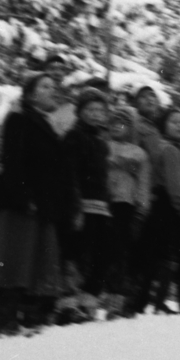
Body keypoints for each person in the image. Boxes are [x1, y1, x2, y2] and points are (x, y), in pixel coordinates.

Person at [0, 72, 77, 335]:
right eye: (45, 86)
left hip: (41, 204)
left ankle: (26, 318)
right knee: (14, 259)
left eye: (53, 86)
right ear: (30, 94)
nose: (52, 90)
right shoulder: (18, 119)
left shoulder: (47, 124)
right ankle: (6, 319)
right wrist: (23, 198)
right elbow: (12, 162)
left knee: (33, 259)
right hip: (21, 203)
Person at [131, 109, 180, 316]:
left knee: (154, 255)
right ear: (163, 125)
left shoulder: (170, 148)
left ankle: (145, 302)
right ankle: (157, 302)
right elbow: (176, 186)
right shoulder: (171, 150)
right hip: (168, 207)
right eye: (174, 122)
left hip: (159, 204)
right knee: (165, 255)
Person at [60, 89, 111, 323]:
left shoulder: (101, 142)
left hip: (101, 205)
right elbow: (69, 174)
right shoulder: (74, 137)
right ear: (80, 112)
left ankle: (88, 302)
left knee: (100, 256)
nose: (95, 115)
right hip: (81, 204)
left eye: (100, 110)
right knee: (76, 254)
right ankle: (69, 303)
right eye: (90, 110)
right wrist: (74, 205)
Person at [103, 108, 151, 317]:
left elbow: (144, 181)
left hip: (125, 204)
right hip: (103, 202)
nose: (116, 126)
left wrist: (142, 206)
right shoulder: (102, 146)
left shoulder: (138, 153)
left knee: (120, 252)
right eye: (113, 123)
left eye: (121, 123)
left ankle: (117, 301)